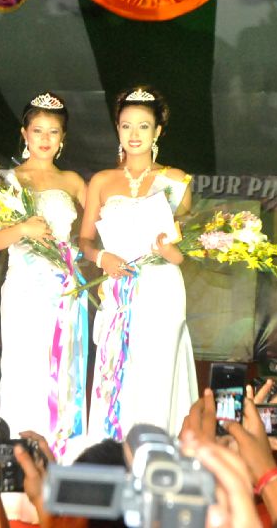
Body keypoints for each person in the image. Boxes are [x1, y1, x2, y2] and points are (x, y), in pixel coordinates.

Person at [79, 86, 198, 441]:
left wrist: (167, 250)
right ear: (117, 129)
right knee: (118, 370)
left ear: (157, 131)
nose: (134, 134)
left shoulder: (175, 179)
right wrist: (102, 257)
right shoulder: (102, 181)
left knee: (158, 372)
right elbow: (85, 241)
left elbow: (182, 252)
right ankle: (113, 450)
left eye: (143, 126)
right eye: (126, 125)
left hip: (161, 286)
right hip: (118, 285)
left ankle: (157, 450)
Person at [0, 92, 88, 459]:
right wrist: (22, 230)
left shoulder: (73, 181)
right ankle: (18, 454)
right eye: (38, 130)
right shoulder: (5, 180)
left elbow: (97, 232)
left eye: (53, 131)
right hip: (23, 289)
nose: (45, 138)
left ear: (63, 138)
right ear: (24, 133)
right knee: (23, 367)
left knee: (61, 368)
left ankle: (59, 454)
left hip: (63, 290)